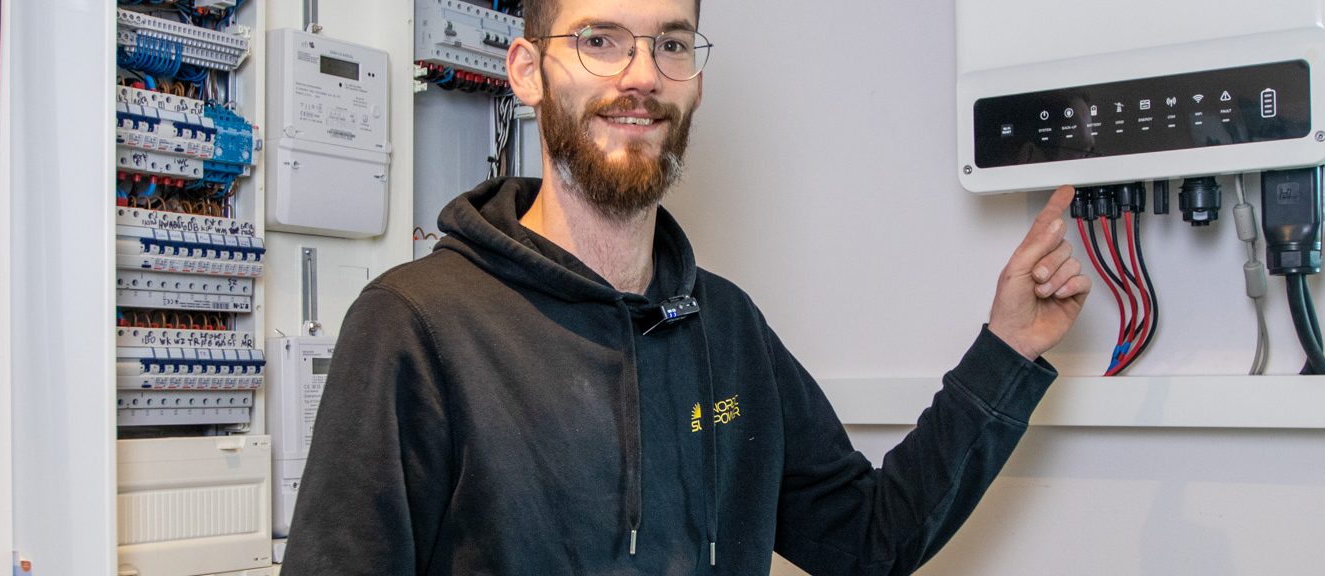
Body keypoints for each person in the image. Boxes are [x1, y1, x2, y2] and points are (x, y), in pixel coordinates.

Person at [280, 0, 1090, 573]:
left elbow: (869, 544)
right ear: (527, 71)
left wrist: (1008, 349)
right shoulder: (414, 326)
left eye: (672, 44)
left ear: (695, 77)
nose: (642, 76)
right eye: (601, 40)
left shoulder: (726, 326)